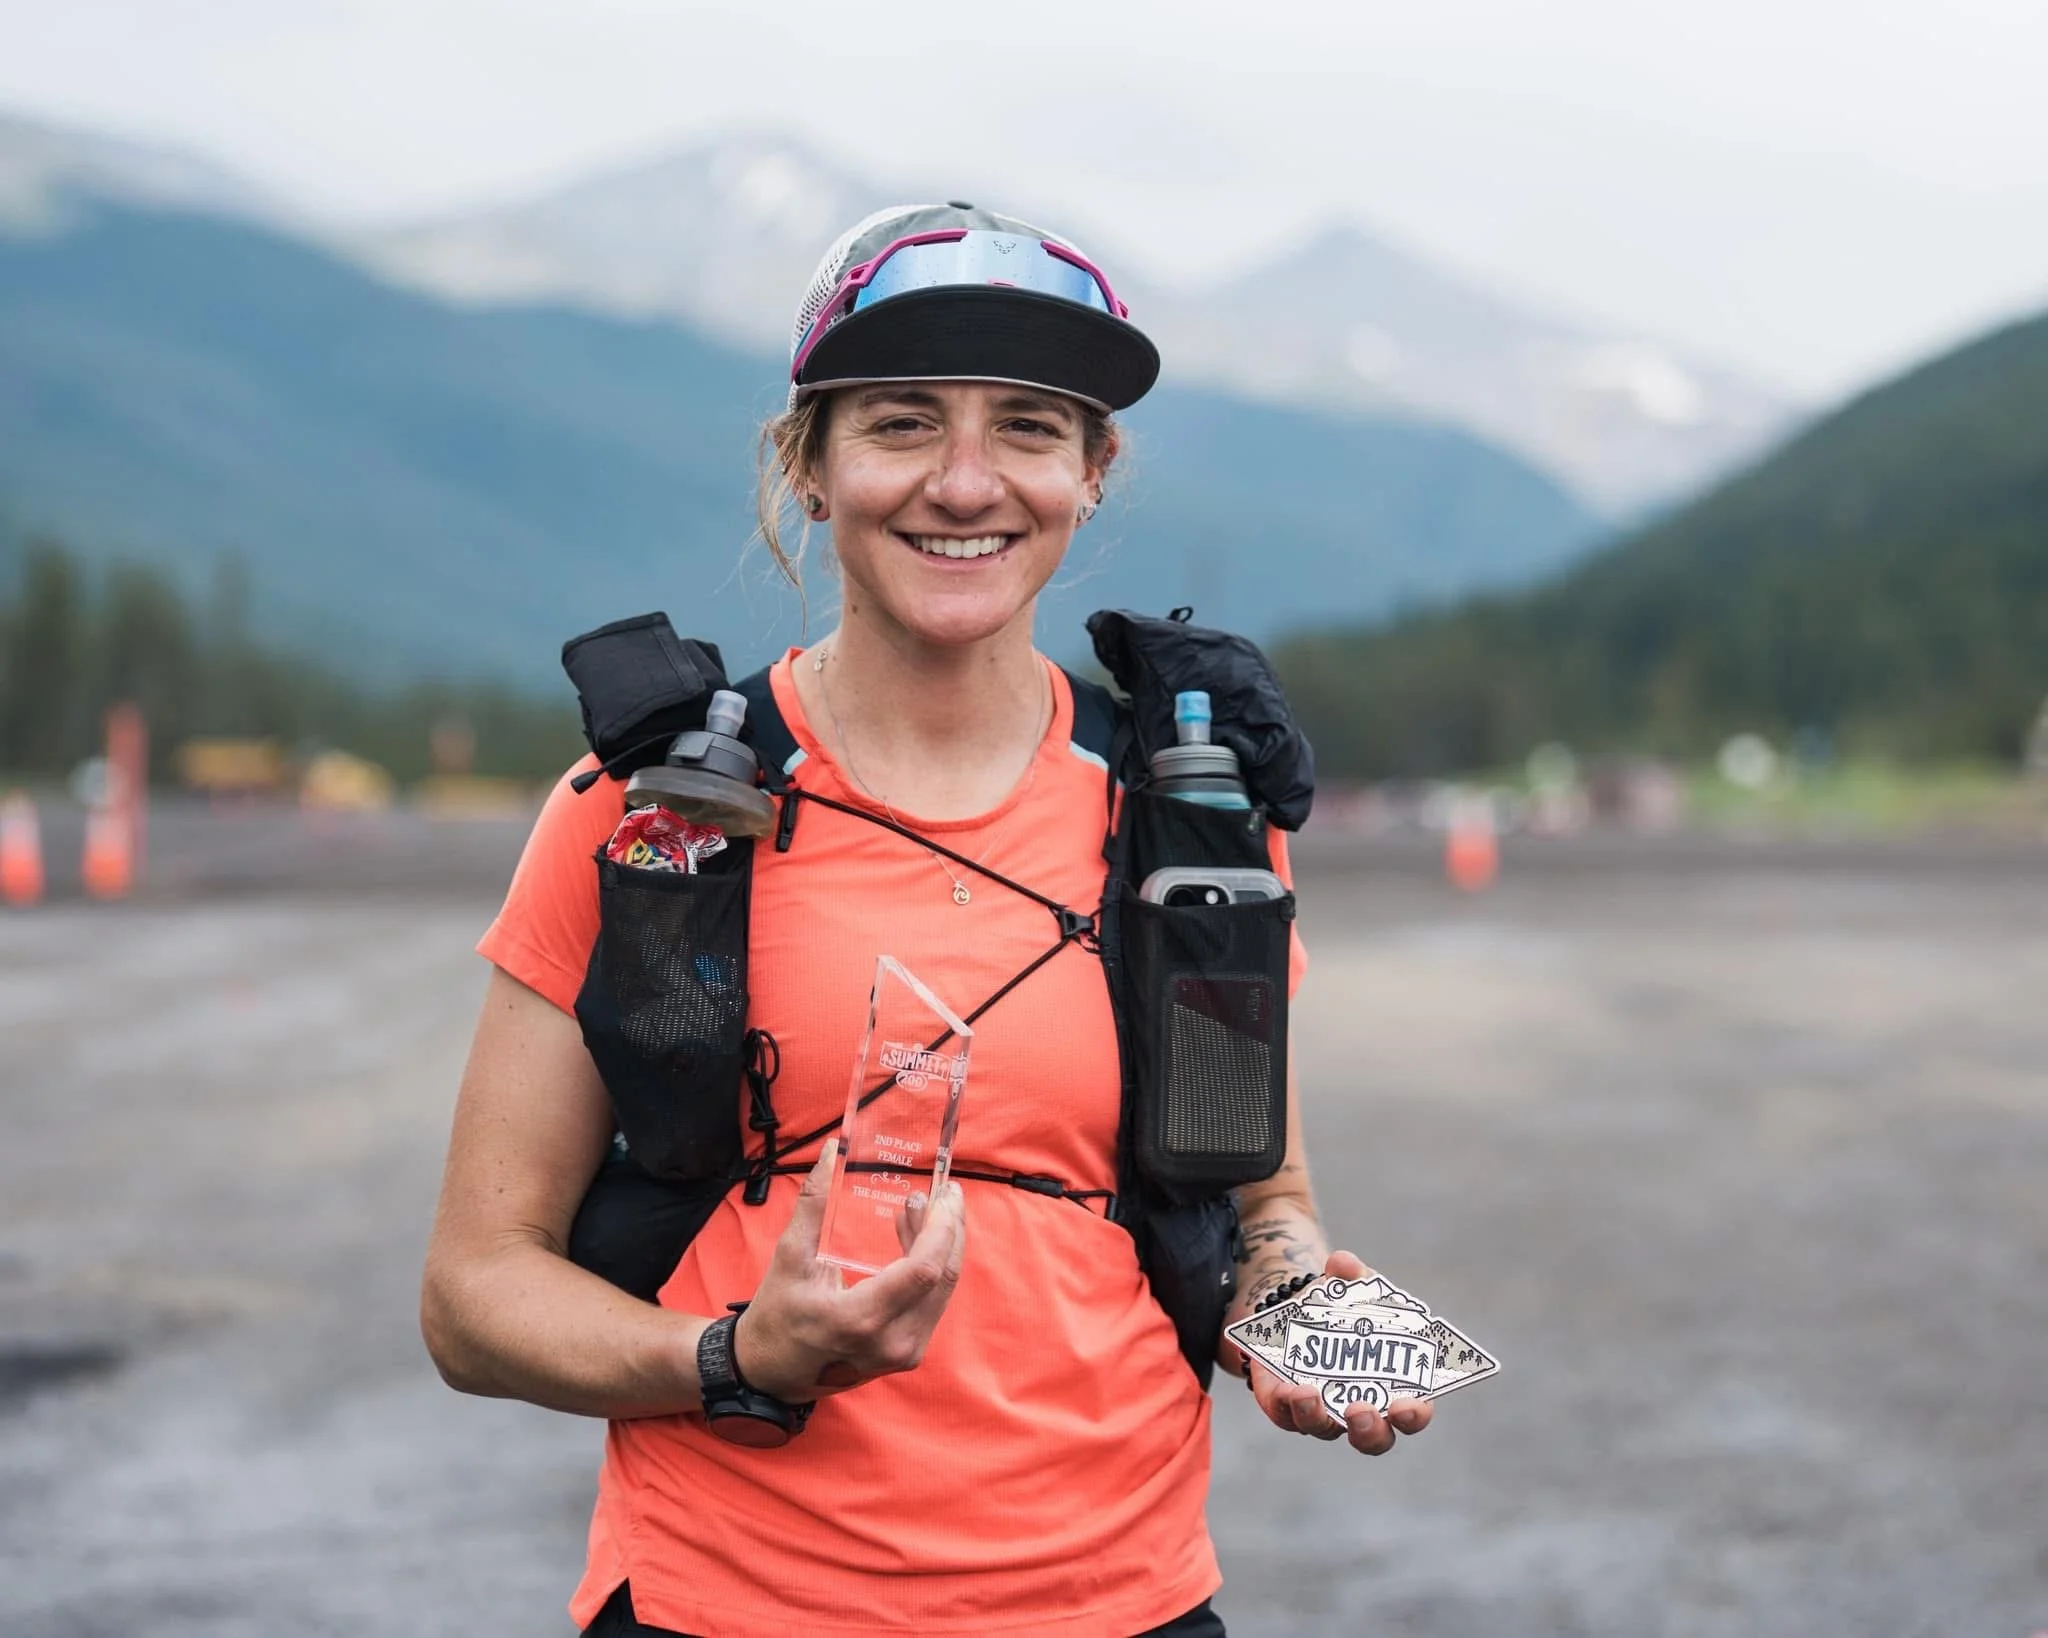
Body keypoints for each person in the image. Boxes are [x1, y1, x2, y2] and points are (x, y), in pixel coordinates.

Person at [420, 201, 1431, 1638]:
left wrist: (1288, 1315)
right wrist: (734, 1357)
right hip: (729, 1605)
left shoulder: (1190, 818)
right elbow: (474, 1294)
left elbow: (1261, 1197)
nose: (967, 483)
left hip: (1127, 1603)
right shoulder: (650, 816)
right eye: (902, 424)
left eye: (1028, 428)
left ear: (1092, 471)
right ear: (809, 464)